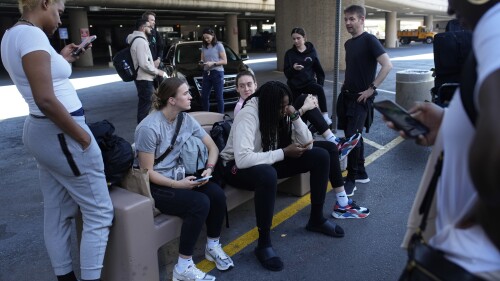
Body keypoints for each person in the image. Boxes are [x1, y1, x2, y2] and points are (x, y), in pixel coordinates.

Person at [0, 1, 114, 281]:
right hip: (62, 134)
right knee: (99, 212)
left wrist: (62, 59)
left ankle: (65, 277)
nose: (61, 17)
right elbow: (46, 99)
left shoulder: (14, 33)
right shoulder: (32, 35)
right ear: (45, 2)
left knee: (57, 210)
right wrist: (84, 138)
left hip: (42, 132)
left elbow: (41, 80)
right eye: (59, 10)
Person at [387, 1, 500, 279]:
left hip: (470, 263)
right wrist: (450, 125)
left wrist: (472, 226)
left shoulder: (494, 25)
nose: (450, 9)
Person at [220, 80, 346, 272]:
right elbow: (243, 159)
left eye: (286, 105)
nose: (284, 109)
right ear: (269, 104)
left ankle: (316, 219)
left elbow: (308, 144)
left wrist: (294, 115)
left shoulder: (280, 112)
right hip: (236, 167)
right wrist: (284, 153)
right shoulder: (248, 115)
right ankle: (263, 244)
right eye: (281, 106)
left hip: (268, 157)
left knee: (321, 155)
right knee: (268, 175)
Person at [135, 77, 234, 281]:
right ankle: (183, 267)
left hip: (181, 177)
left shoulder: (185, 119)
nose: (191, 96)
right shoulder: (149, 127)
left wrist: (208, 169)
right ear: (172, 100)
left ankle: (213, 246)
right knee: (199, 203)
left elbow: (212, 148)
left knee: (216, 194)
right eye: (186, 93)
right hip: (157, 184)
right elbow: (147, 172)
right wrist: (177, 184)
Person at [234, 71, 369, 214]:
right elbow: (247, 153)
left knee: (328, 149)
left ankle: (342, 201)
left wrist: (294, 114)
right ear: (237, 89)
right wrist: (302, 110)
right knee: (320, 153)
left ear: (256, 84)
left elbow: (302, 139)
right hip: (267, 154)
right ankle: (333, 141)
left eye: (249, 84)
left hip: (275, 143)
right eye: (241, 86)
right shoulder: (244, 111)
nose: (246, 89)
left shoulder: (268, 101)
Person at [339, 5, 392, 196]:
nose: (348, 23)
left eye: (352, 19)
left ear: (362, 20)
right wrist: (347, 80)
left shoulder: (369, 40)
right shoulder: (348, 44)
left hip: (361, 99)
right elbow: (353, 66)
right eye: (346, 19)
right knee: (353, 136)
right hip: (347, 96)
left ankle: (351, 178)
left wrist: (372, 89)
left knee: (352, 138)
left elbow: (387, 65)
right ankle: (361, 172)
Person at [284, 27, 331, 127]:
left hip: (308, 83)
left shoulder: (312, 52)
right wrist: (293, 69)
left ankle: (325, 116)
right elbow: (287, 73)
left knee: (319, 89)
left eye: (298, 38)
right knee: (300, 112)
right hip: (295, 87)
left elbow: (319, 72)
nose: (296, 41)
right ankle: (303, 131)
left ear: (304, 38)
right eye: (294, 39)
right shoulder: (289, 54)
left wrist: (319, 84)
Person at [127, 18, 167, 124]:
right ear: (142, 28)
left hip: (144, 78)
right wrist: (158, 71)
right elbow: (144, 64)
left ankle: (145, 128)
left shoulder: (139, 39)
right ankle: (143, 131)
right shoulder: (140, 41)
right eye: (149, 26)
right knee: (145, 108)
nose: (151, 28)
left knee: (147, 106)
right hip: (144, 79)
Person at [200, 27, 227, 113]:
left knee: (219, 97)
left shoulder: (219, 45)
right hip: (206, 72)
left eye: (208, 37)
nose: (206, 39)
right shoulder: (204, 46)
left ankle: (221, 117)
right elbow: (202, 59)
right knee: (204, 96)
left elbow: (225, 61)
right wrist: (201, 62)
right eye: (204, 37)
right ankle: (206, 114)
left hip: (217, 72)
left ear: (213, 35)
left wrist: (213, 63)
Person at [141, 11, 165, 89]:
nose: (154, 22)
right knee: (150, 95)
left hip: (157, 66)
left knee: (161, 90)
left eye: (154, 20)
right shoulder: (141, 35)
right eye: (152, 20)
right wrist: (151, 63)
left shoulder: (156, 33)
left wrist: (158, 59)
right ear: (146, 22)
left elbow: (161, 47)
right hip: (146, 71)